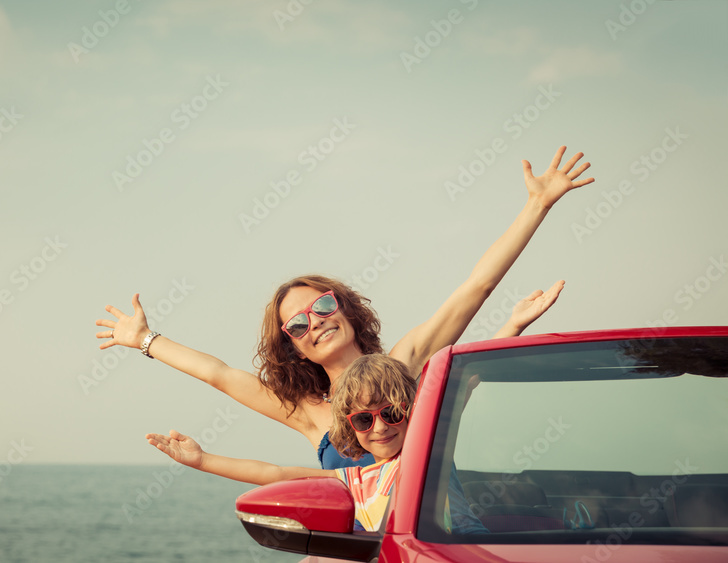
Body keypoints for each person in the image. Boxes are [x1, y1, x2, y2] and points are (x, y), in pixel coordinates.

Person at [98, 146, 591, 470]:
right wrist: (143, 339)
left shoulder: (406, 363)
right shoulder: (309, 412)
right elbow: (220, 375)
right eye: (296, 324)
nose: (314, 321)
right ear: (294, 350)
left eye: (323, 305)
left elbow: (476, 287)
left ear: (349, 312)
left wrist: (537, 206)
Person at [147, 354, 423, 532]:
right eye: (364, 420)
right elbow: (277, 474)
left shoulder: (425, 461)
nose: (381, 426)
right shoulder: (357, 480)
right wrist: (203, 460)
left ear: (411, 410)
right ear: (352, 428)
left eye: (391, 413)